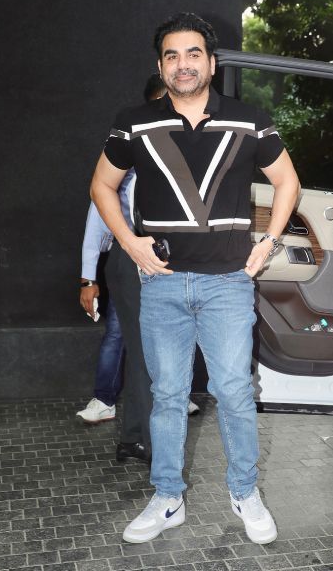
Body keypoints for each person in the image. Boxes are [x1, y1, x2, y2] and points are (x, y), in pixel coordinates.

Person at [90, 13, 300, 544]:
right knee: (166, 395)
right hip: (162, 282)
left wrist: (269, 243)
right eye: (172, 56)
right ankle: (167, 498)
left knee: (234, 392)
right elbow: (101, 186)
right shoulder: (133, 122)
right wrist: (129, 241)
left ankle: (244, 492)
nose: (183, 64)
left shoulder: (249, 120)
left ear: (211, 61)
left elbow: (287, 182)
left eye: (193, 54)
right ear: (160, 65)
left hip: (227, 283)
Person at [76, 74, 200, 455]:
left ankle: (133, 437)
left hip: (166, 264)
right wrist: (87, 278)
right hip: (132, 263)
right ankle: (153, 447)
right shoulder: (130, 150)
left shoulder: (183, 154)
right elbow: (97, 213)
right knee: (151, 356)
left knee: (146, 353)